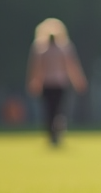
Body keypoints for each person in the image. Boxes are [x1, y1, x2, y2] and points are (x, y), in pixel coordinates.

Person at [26, 18, 88, 146]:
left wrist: (34, 82)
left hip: (49, 84)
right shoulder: (63, 48)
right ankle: (57, 131)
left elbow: (36, 68)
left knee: (50, 110)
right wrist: (78, 81)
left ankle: (52, 133)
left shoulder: (41, 49)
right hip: (58, 84)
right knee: (58, 110)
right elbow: (72, 67)